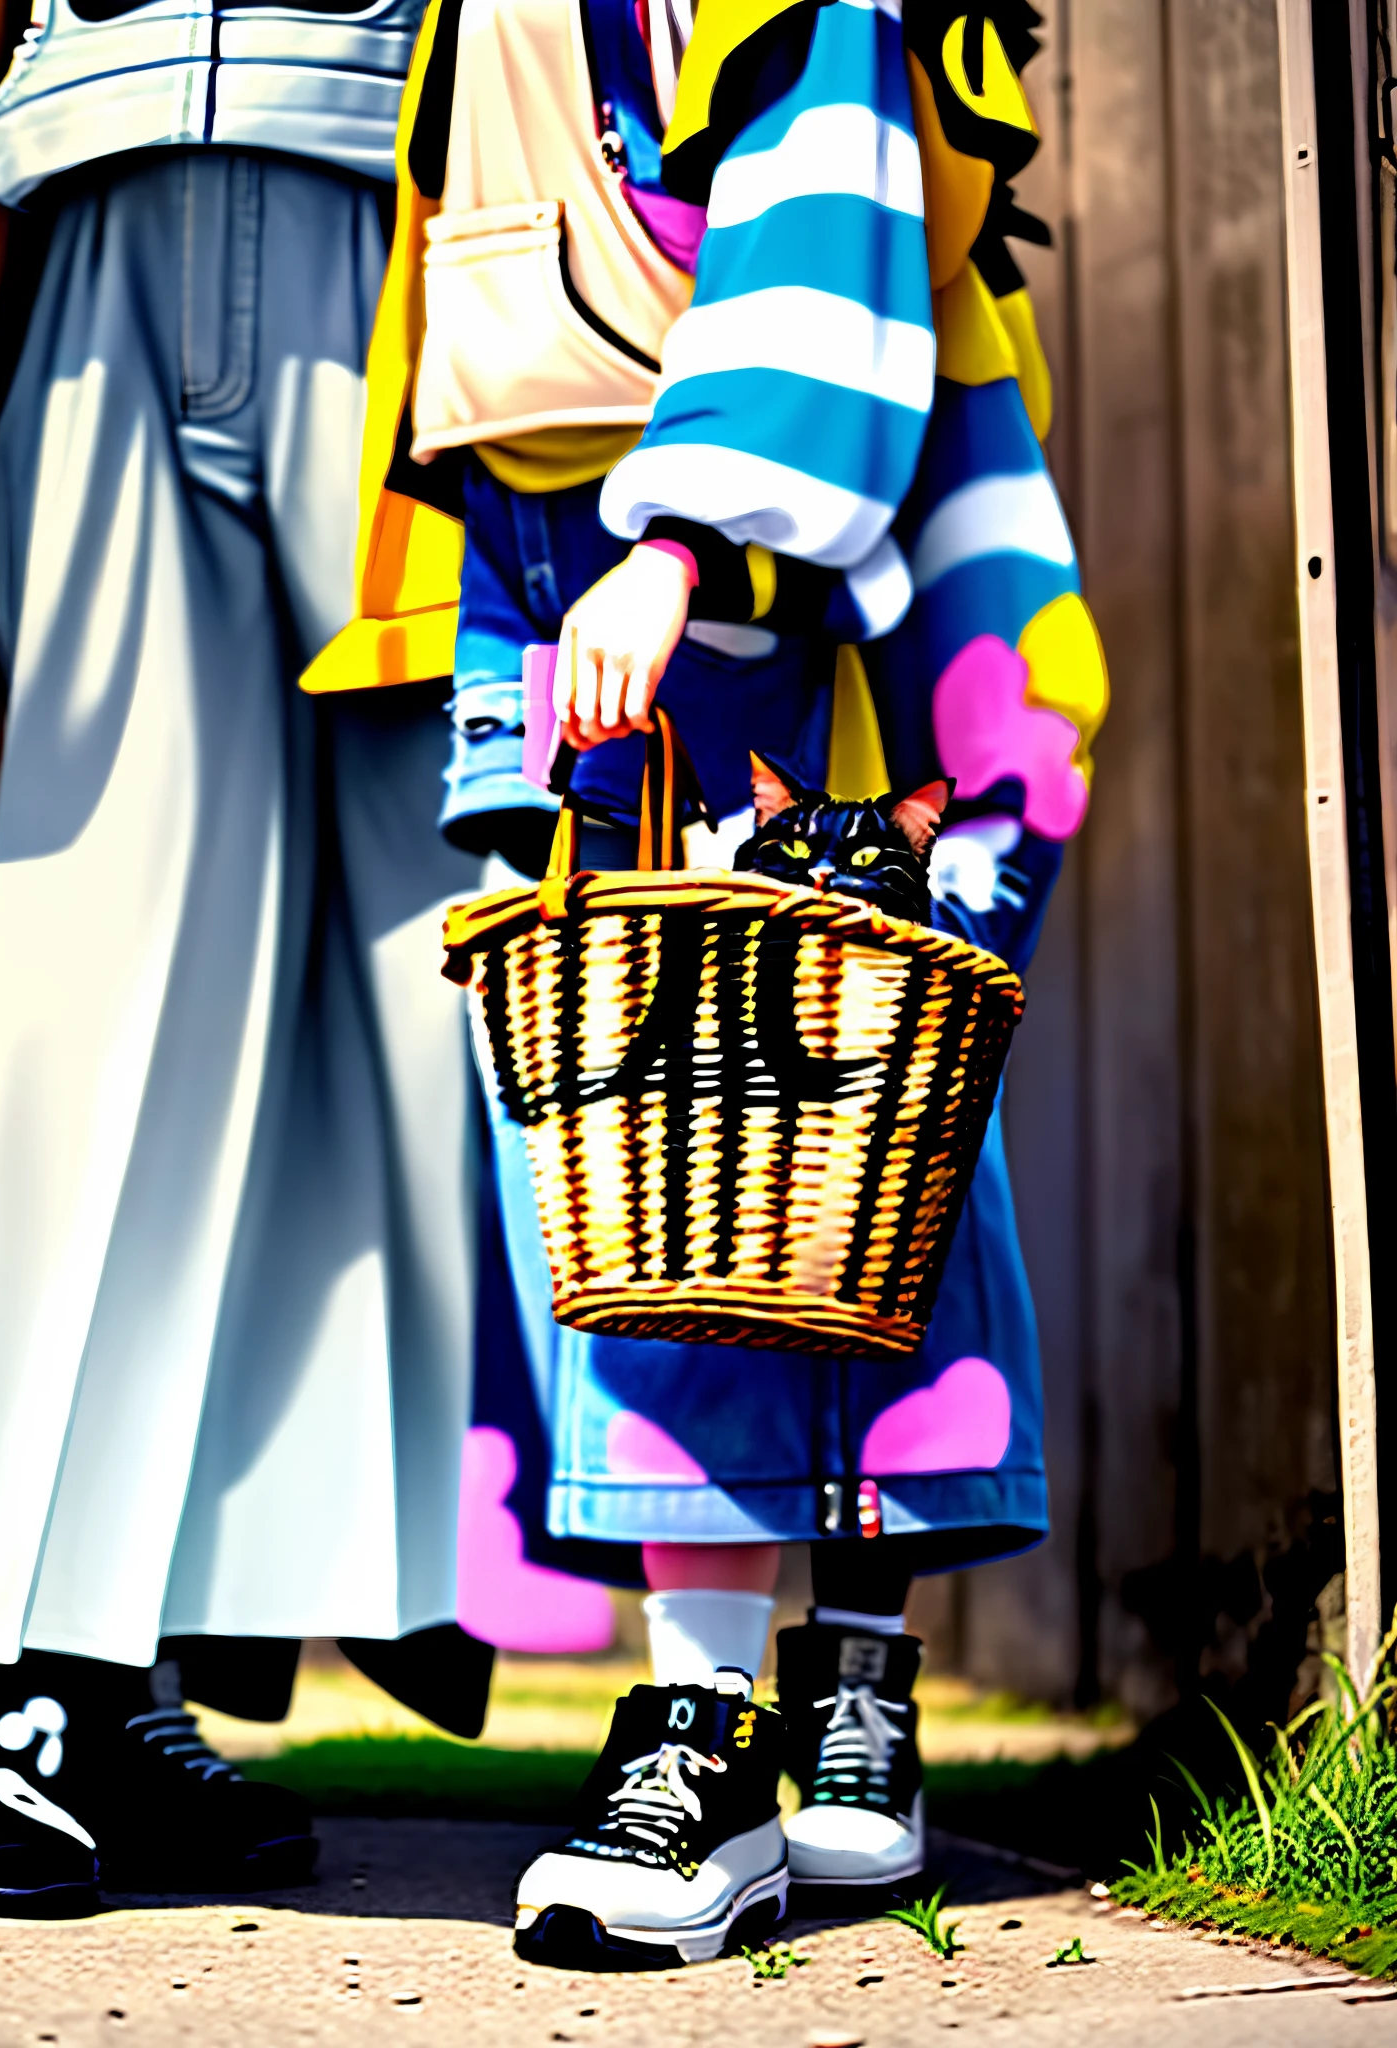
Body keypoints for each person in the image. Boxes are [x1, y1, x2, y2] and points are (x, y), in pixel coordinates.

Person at [325, 0, 1108, 1967]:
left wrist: (686, 536)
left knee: (795, 1125)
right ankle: (765, 1712)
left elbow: (814, 186)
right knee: (714, 1149)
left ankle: (778, 1710)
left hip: (752, 538)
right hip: (665, 545)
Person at [0, 0, 498, 1916]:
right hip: (91, 194)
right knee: (106, 989)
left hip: (410, 212)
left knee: (387, 1001)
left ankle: (120, 1655)